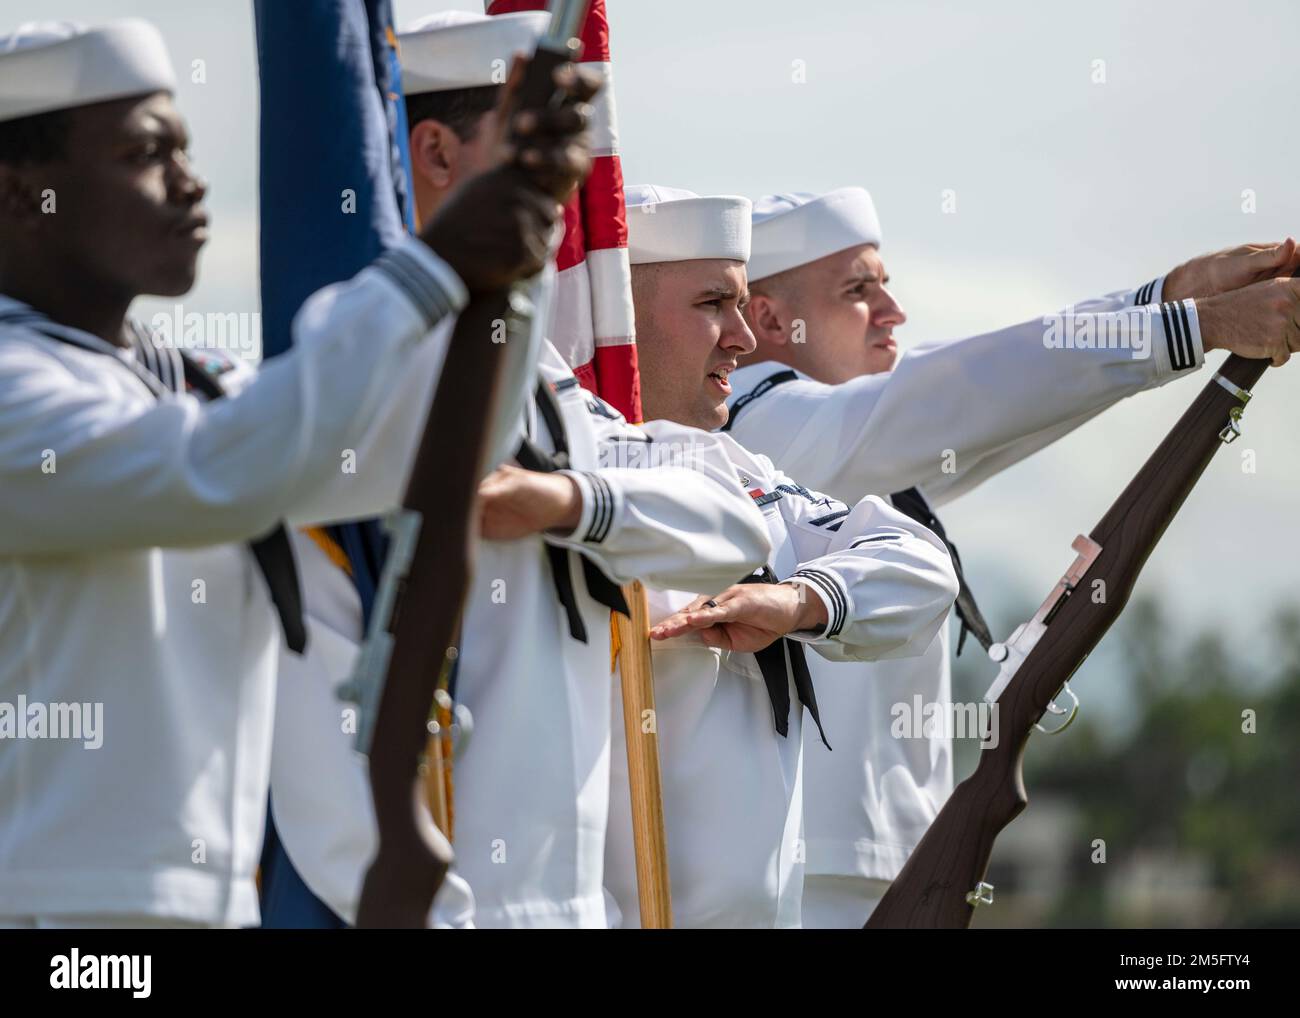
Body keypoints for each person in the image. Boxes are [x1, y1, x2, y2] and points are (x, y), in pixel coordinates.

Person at [0, 16, 590, 928]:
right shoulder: (15, 385)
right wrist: (433, 265)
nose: (192, 183)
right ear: (17, 192)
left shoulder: (187, 383)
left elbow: (418, 449)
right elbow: (221, 470)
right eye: (144, 154)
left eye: (186, 148)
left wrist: (517, 237)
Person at [265, 11, 773, 930]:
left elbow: (739, 528)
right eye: (528, 143)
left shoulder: (553, 398)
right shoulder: (355, 357)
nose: (565, 189)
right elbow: (322, 732)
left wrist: (571, 502)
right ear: (434, 151)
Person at [724, 187, 1300, 926]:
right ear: (770, 318)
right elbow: (970, 389)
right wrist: (1190, 326)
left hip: (874, 869)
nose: (892, 313)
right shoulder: (758, 421)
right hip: (812, 885)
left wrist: (1170, 297)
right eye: (858, 291)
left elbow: (1008, 394)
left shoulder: (849, 438)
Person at [602, 185, 960, 928]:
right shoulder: (569, 488)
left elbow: (921, 568)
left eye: (741, 306)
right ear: (618, 319)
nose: (741, 336)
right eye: (712, 304)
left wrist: (801, 601)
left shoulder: (748, 477)